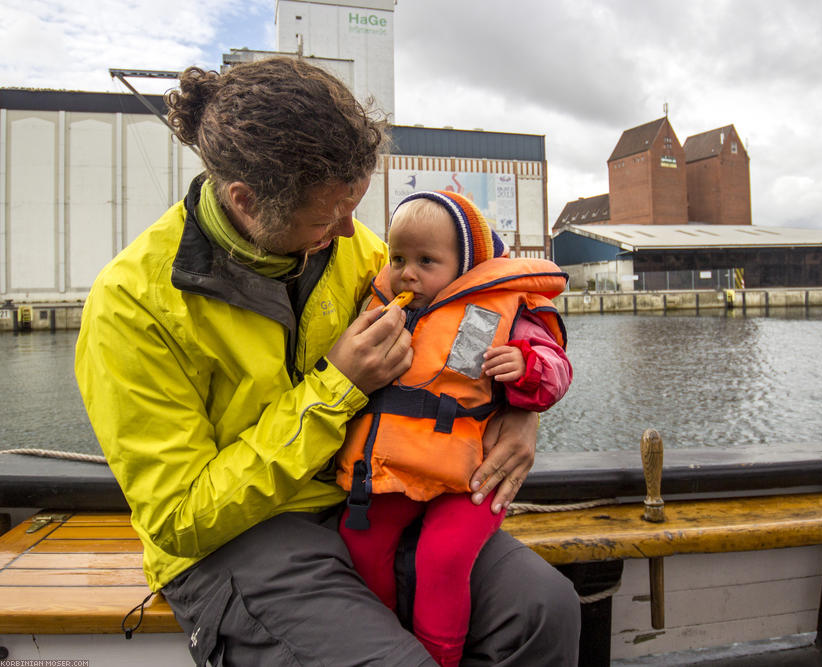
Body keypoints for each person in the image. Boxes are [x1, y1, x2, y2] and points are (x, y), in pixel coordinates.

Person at [74, 57, 580, 666]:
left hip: (373, 497)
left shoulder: (365, 255)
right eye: (325, 218)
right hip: (235, 542)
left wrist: (522, 411)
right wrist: (336, 385)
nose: (349, 232)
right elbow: (179, 516)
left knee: (544, 611)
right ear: (246, 200)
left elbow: (476, 331)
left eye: (354, 207)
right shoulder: (131, 306)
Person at [328, 190, 573, 666]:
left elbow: (556, 374)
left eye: (426, 260)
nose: (407, 273)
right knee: (360, 539)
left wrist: (525, 366)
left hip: (470, 477)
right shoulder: (379, 303)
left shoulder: (505, 308)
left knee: (443, 557)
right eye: (398, 257)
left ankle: (440, 657)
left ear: (465, 266)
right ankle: (388, 640)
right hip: (396, 469)